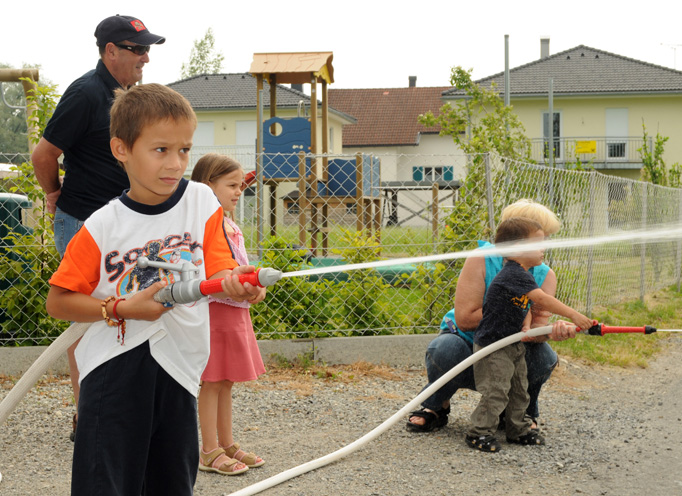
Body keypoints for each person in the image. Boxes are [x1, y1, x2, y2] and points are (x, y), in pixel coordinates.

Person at [45, 83, 263, 494]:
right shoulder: (103, 225)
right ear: (121, 149)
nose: (175, 163)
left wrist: (239, 284)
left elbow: (219, 270)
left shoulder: (202, 202)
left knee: (171, 479)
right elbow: (58, 302)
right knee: (106, 481)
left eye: (184, 150)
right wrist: (121, 308)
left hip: (180, 364)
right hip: (114, 367)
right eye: (160, 150)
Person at [31, 14, 165, 441]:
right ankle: (86, 416)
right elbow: (43, 155)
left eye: (147, 50)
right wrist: (54, 193)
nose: (145, 58)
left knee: (126, 312)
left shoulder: (130, 97)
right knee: (87, 317)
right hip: (84, 223)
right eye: (137, 49)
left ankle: (118, 409)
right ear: (110, 51)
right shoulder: (87, 93)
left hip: (123, 224)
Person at [407, 199, 576, 432]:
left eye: (547, 237)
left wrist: (551, 331)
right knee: (444, 349)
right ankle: (436, 405)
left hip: (510, 352)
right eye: (540, 237)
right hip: (471, 345)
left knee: (544, 357)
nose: (545, 245)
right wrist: (512, 314)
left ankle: (519, 412)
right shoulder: (482, 258)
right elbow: (465, 319)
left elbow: (536, 328)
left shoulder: (545, 275)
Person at [464, 218, 593, 452]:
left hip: (512, 344)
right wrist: (574, 315)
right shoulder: (513, 273)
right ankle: (479, 432)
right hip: (494, 347)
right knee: (496, 390)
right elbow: (541, 299)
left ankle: (518, 429)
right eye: (538, 243)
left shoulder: (523, 273)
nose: (544, 248)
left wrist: (525, 324)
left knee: (519, 389)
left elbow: (523, 304)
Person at [190, 154, 267, 475]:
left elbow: (238, 266)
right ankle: (209, 451)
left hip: (234, 310)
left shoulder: (230, 224)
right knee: (212, 380)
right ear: (207, 186)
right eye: (231, 185)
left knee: (226, 380)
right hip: (215, 310)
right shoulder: (205, 226)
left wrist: (255, 286)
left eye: (241, 186)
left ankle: (226, 443)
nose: (238, 192)